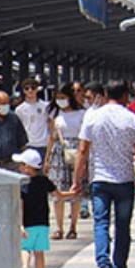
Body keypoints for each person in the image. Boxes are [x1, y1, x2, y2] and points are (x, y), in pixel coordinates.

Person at [72, 80, 135, 268]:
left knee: (100, 223)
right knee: (122, 226)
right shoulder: (132, 118)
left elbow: (82, 150)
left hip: (99, 179)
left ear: (106, 94)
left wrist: (76, 180)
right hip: (124, 180)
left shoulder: (93, 117)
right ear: (125, 96)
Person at [44, 83, 86, 240]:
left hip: (76, 151)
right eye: (58, 98)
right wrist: (47, 159)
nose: (60, 101)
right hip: (58, 152)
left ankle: (73, 227)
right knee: (57, 191)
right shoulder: (55, 114)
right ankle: (59, 228)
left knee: (75, 190)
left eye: (63, 97)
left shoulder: (82, 113)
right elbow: (51, 137)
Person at [13, 149, 56, 268]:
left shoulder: (22, 184)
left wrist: (20, 225)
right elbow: (58, 195)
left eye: (21, 164)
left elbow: (21, 206)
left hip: (27, 223)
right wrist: (72, 193)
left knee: (25, 249)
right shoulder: (44, 181)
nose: (19, 167)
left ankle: (25, 267)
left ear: (27, 167)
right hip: (43, 223)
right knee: (39, 253)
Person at [15, 78, 49, 163]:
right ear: (24, 91)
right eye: (27, 88)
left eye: (33, 88)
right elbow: (18, 129)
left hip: (43, 144)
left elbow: (50, 124)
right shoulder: (19, 109)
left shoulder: (45, 106)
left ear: (37, 89)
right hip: (28, 144)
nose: (30, 90)